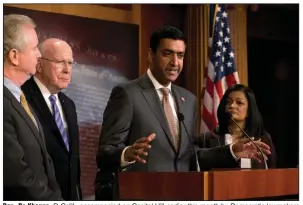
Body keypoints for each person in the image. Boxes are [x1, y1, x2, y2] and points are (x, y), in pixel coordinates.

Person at [95, 26, 271, 199]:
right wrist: (127, 153)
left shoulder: (188, 100)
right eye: (167, 54)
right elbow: (105, 152)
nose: (175, 62)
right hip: (141, 195)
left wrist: (232, 151)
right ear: (151, 55)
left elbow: (189, 155)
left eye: (180, 55)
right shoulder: (128, 94)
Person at [3, 14, 62, 200]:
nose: (39, 54)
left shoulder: (20, 97)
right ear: (14, 56)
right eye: (35, 48)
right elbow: (16, 176)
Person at [22, 38, 82, 200]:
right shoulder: (21, 99)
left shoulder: (69, 105)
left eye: (70, 63)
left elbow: (72, 162)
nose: (67, 70)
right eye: (60, 62)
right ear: (39, 64)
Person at [200, 84, 276, 169]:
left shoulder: (263, 139)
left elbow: (272, 171)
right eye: (228, 102)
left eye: (239, 103)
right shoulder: (208, 139)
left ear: (249, 111)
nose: (232, 106)